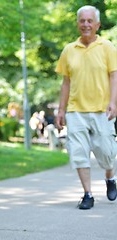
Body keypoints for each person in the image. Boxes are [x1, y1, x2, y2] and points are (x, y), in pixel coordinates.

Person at [55, 5, 117, 210]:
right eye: (82, 20)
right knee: (79, 153)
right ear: (77, 24)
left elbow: (114, 76)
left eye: (90, 21)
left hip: (102, 110)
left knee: (107, 153)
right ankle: (87, 194)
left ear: (97, 24)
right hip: (76, 111)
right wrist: (61, 110)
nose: (86, 24)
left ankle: (110, 177)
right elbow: (66, 82)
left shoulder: (107, 47)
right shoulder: (69, 50)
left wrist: (113, 102)